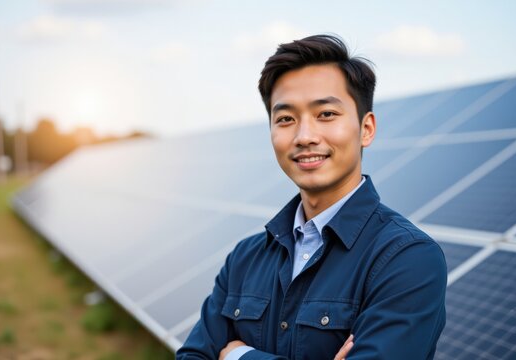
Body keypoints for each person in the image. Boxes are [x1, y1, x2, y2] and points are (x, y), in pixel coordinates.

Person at [177, 34, 446, 360]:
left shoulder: (406, 258)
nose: (305, 136)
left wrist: (238, 355)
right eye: (286, 119)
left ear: (367, 128)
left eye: (326, 114)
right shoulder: (245, 259)